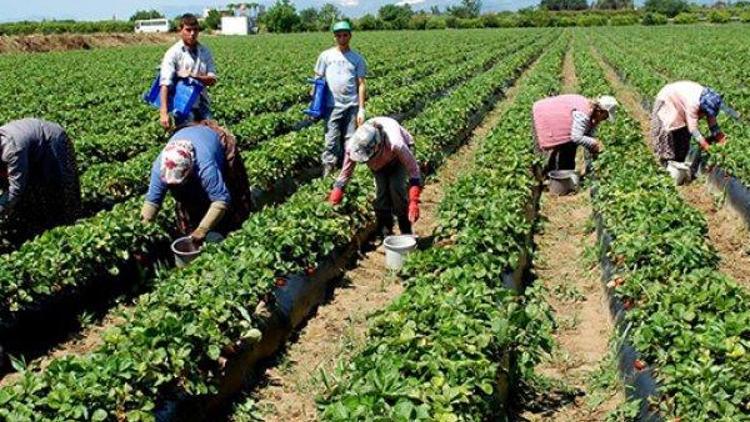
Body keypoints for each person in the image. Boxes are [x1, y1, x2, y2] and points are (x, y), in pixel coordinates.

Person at [141, 122, 252, 243]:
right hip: (189, 136)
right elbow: (152, 202)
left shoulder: (205, 165)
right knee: (187, 202)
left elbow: (221, 199)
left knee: (233, 191)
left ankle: (234, 228)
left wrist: (202, 230)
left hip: (213, 141)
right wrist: (143, 227)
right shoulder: (160, 168)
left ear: (190, 170)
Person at [328, 117, 421, 236]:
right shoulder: (352, 146)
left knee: (397, 189)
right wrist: (338, 190)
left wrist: (414, 200)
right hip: (378, 165)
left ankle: (405, 229)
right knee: (381, 194)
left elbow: (414, 171)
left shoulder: (396, 143)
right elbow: (346, 172)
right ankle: (386, 231)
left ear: (377, 145)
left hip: (398, 160)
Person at [0, 118, 81, 245]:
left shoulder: (12, 150)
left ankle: (70, 226)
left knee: (60, 185)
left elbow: (16, 188)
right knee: (31, 193)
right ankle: (37, 223)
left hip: (52, 140)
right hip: (33, 147)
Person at [314, 20, 367, 176]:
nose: (342, 38)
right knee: (331, 139)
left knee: (350, 140)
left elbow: (361, 84)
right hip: (332, 106)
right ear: (334, 37)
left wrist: (361, 109)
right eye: (338, 35)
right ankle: (329, 169)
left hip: (351, 105)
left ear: (350, 36)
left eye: (345, 35)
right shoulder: (326, 56)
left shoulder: (357, 59)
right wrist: (316, 104)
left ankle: (347, 170)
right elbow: (318, 79)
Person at [650, 81, 733, 173]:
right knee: (667, 129)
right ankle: (666, 166)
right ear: (702, 106)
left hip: (681, 101)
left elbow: (713, 125)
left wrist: (722, 139)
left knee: (683, 134)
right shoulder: (693, 103)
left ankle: (679, 165)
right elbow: (693, 129)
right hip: (668, 99)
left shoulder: (709, 101)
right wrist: (706, 146)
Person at [532, 94, 618, 174]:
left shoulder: (593, 113)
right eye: (606, 116)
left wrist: (593, 147)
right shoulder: (583, 113)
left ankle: (563, 174)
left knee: (569, 146)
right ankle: (558, 175)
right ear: (600, 111)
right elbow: (576, 137)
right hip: (545, 114)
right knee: (568, 146)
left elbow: (590, 134)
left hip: (554, 114)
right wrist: (594, 143)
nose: (605, 119)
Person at [159, 13, 217, 130]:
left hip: (202, 103)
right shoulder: (173, 53)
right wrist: (164, 113)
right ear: (180, 30)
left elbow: (212, 80)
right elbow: (165, 83)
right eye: (188, 30)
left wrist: (193, 76)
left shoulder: (205, 51)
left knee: (211, 132)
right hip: (182, 106)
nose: (192, 34)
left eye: (195, 30)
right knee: (187, 136)